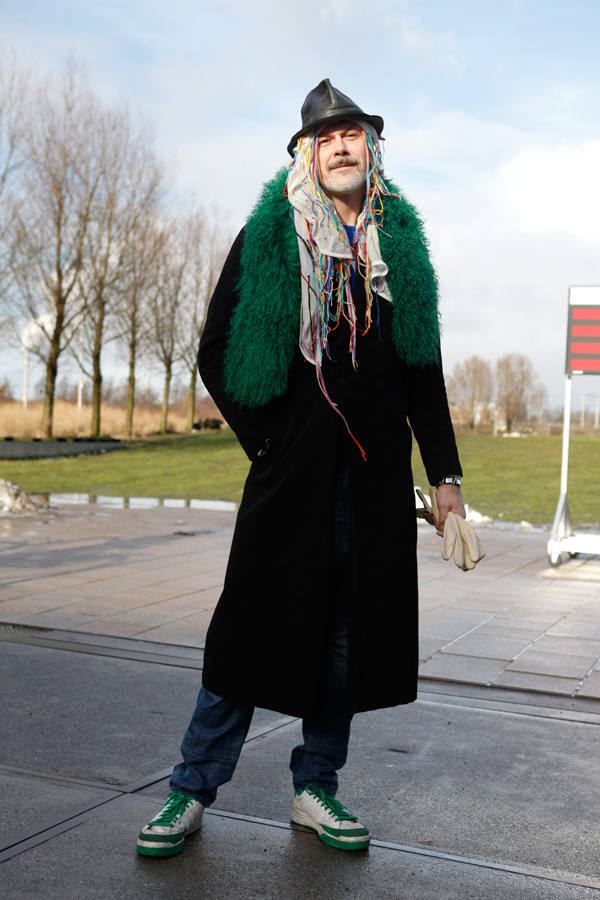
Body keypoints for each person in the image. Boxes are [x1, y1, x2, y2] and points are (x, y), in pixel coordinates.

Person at [137, 79, 465, 858]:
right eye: (327, 137)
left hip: (375, 487)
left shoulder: (399, 245)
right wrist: (267, 442)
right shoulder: (271, 235)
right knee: (247, 632)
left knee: (346, 640)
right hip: (291, 481)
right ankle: (190, 788)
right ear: (306, 154)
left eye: (353, 134)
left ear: (371, 149)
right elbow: (215, 350)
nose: (341, 146)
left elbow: (423, 370)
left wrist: (446, 477)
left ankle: (316, 786)